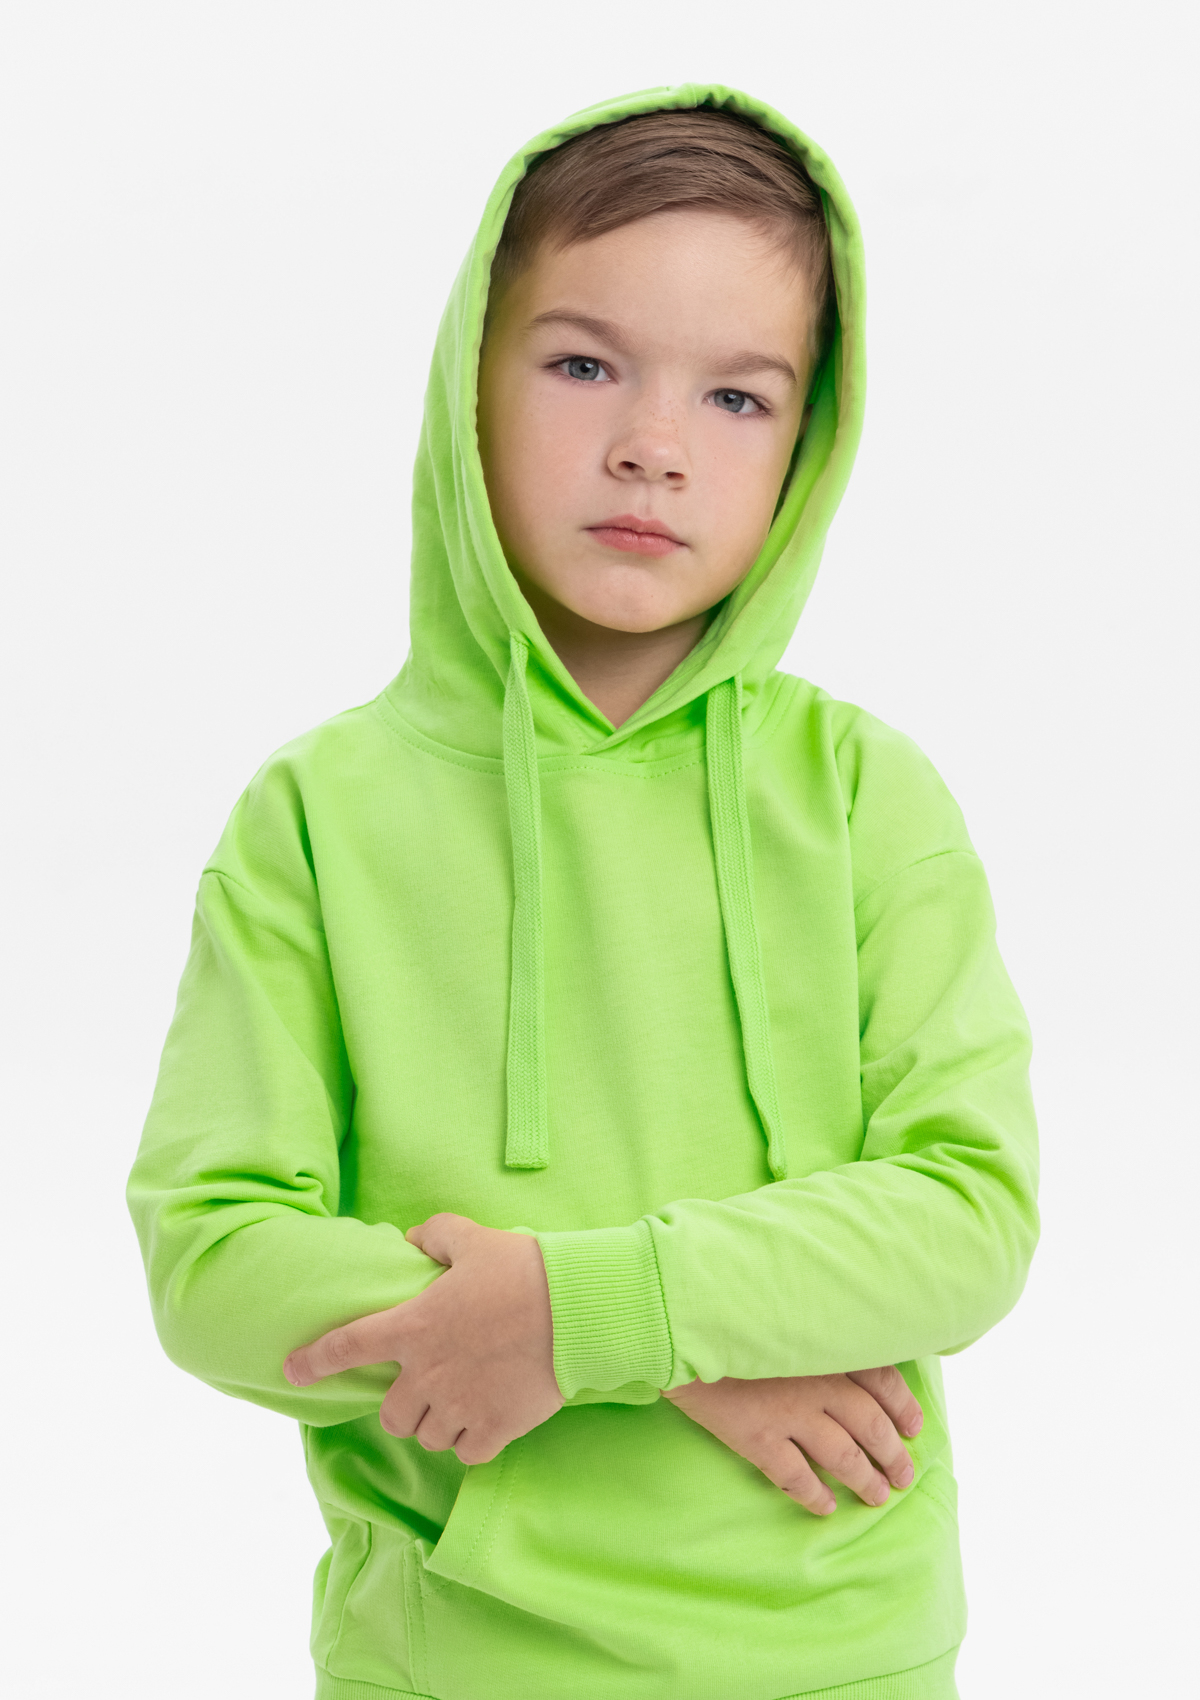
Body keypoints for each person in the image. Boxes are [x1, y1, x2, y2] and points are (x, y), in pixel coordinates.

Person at [128, 84, 1039, 1700]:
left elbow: (968, 1216)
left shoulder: (865, 797)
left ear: (809, 444)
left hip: (846, 1650)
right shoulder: (317, 817)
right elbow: (216, 1266)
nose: (651, 446)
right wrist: (642, 1346)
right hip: (451, 1656)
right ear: (466, 384)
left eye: (738, 396)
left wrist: (585, 1315)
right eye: (582, 364)